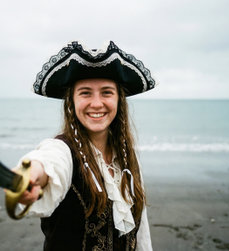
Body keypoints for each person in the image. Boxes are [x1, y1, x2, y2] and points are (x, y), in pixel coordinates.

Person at [11, 41, 156, 250]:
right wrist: (31, 174)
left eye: (106, 92)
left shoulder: (127, 156)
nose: (96, 103)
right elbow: (49, 162)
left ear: (119, 100)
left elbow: (142, 234)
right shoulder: (62, 150)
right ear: (71, 100)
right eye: (85, 93)